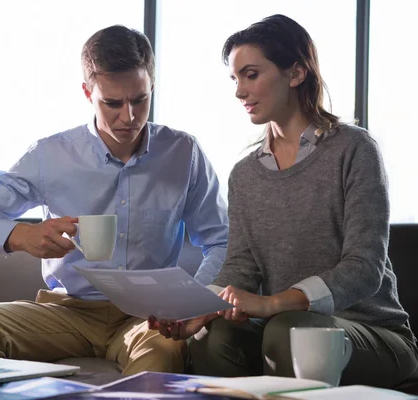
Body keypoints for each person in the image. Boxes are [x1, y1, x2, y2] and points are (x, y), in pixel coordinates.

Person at [0, 24, 229, 375]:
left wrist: (189, 301)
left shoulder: (184, 152)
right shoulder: (50, 155)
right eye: (113, 103)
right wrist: (21, 237)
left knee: (163, 355)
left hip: (148, 318)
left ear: (152, 87)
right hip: (65, 312)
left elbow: (220, 239)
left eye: (139, 100)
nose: (129, 116)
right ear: (88, 93)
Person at [148, 14, 418, 388]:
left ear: (295, 73)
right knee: (212, 337)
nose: (239, 91)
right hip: (283, 326)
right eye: (235, 78)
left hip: (373, 334)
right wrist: (198, 311)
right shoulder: (244, 175)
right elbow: (240, 268)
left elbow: (364, 267)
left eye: (251, 74)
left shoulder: (354, 150)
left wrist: (274, 304)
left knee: (290, 331)